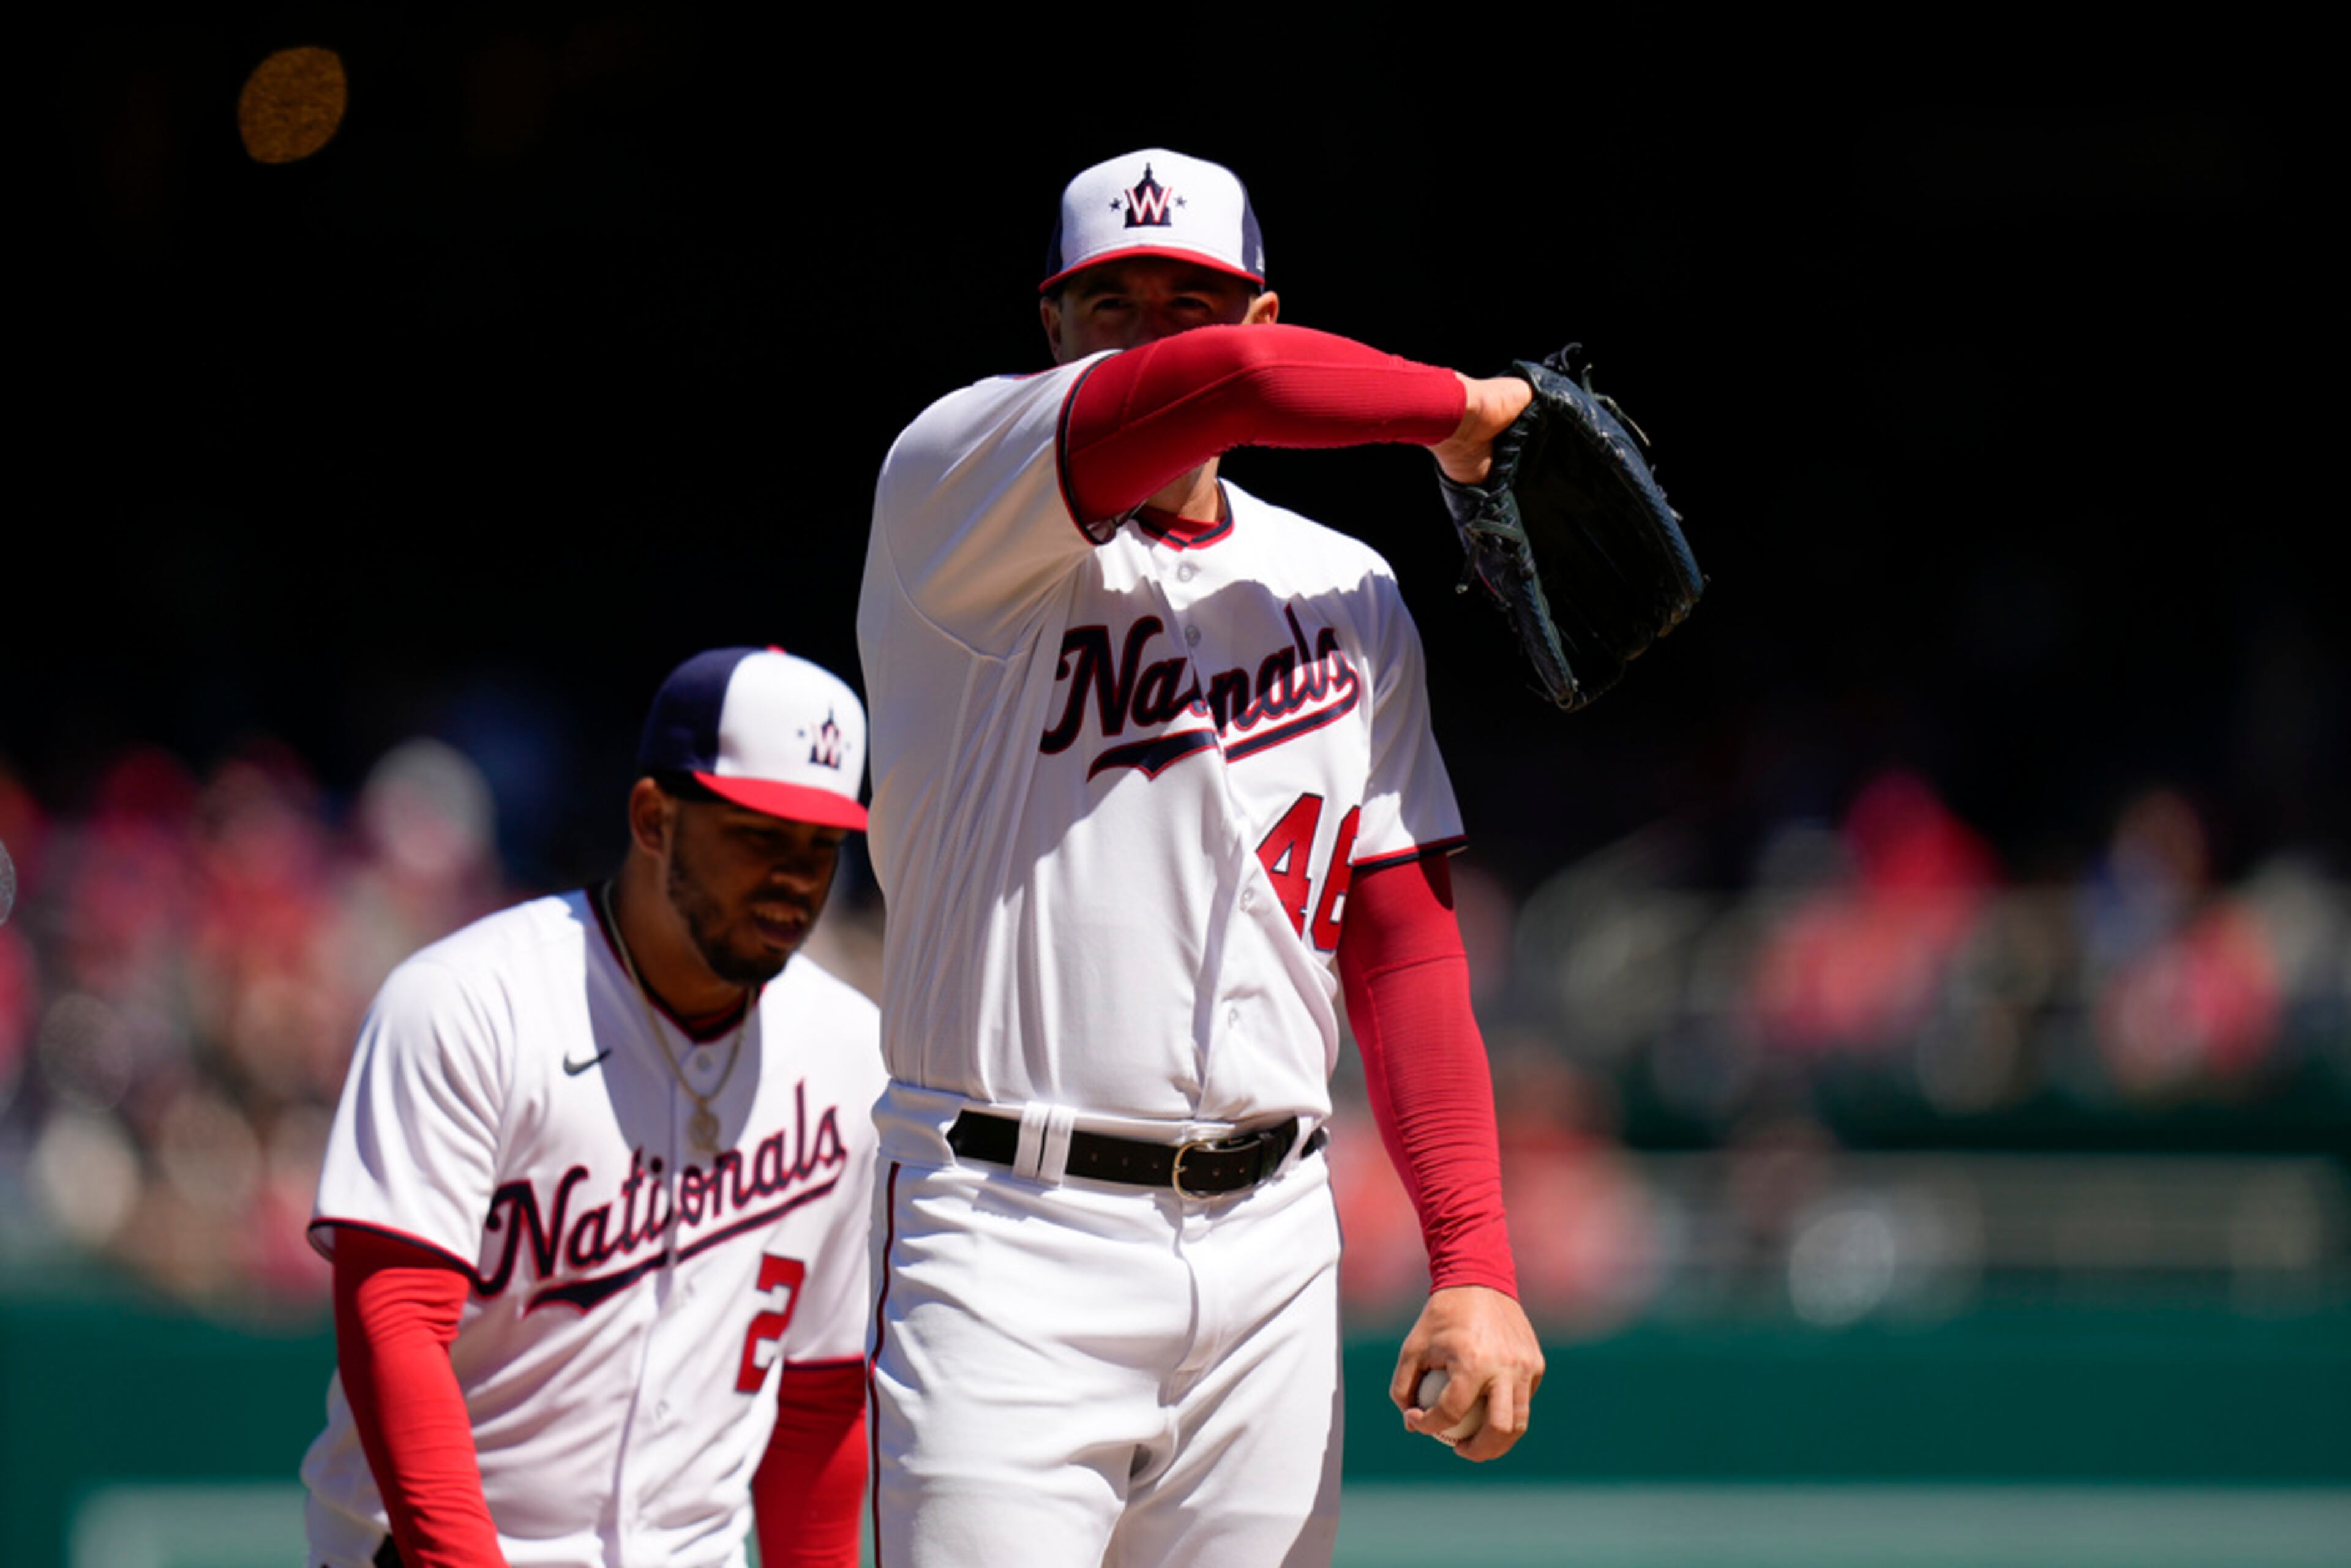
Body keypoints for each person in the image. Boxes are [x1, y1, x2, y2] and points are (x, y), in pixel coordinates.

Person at [857, 148, 1545, 1566]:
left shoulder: (1344, 586)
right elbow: (1227, 391)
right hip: (1007, 1234)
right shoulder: (953, 488)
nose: (1153, 331)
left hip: (1274, 1251)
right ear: (1052, 329)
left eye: (1197, 300)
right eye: (1114, 303)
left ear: (1270, 312)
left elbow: (1403, 942)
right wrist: (1467, 414)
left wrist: (1474, 1261)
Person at [301, 647, 884, 1568]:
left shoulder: (853, 1056)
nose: (795, 878)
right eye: (758, 835)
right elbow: (396, 1322)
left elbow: (816, 1399)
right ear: (653, 818)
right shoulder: (471, 1002)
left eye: (820, 845)